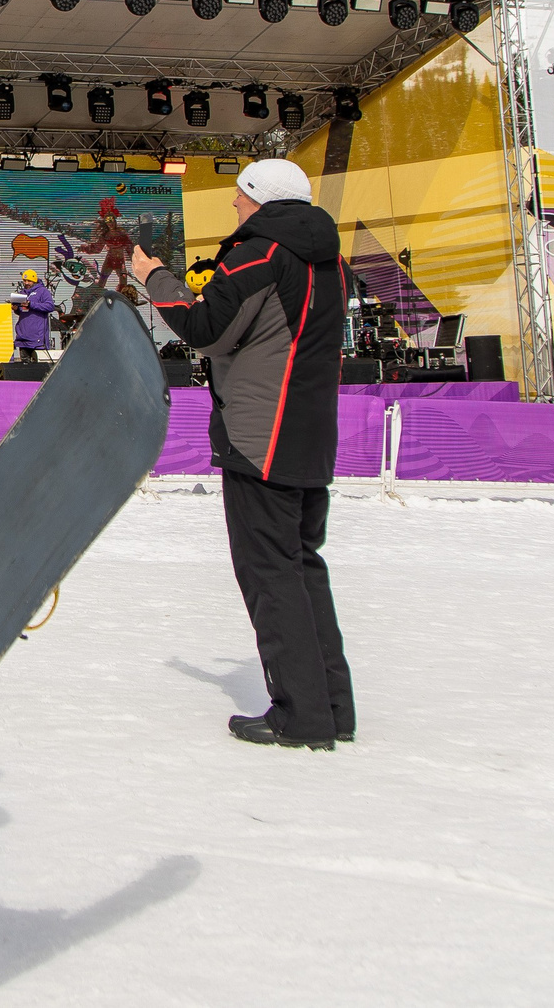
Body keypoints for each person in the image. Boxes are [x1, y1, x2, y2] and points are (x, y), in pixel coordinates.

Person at [131, 157, 351, 751]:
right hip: (310, 435)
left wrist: (154, 278)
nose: (233, 206)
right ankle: (332, 704)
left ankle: (302, 715)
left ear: (260, 199)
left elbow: (203, 326)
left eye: (239, 195)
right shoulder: (329, 258)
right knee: (302, 565)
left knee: (270, 573)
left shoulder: (260, 251)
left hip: (261, 436)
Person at [8, 268, 56, 360]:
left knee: (38, 367)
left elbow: (50, 306)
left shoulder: (43, 291)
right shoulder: (22, 293)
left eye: (29, 281)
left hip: (37, 339)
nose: (26, 283)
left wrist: (31, 304)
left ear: (34, 280)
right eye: (24, 280)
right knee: (25, 367)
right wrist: (16, 309)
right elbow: (23, 311)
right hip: (23, 337)